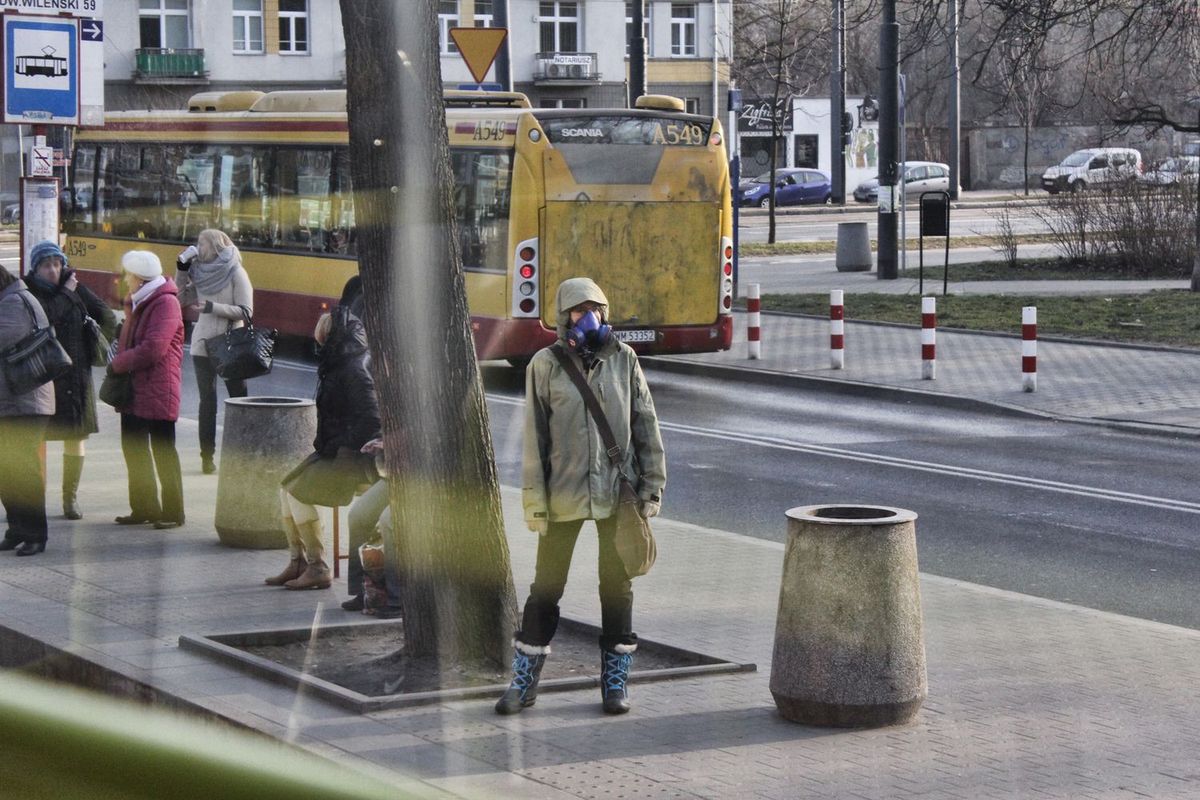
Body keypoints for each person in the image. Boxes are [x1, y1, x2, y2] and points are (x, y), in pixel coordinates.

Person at [496, 277, 666, 717]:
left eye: (594, 308)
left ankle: (615, 684)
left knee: (617, 587)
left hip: (617, 495)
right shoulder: (545, 364)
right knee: (546, 589)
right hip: (562, 496)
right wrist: (534, 503)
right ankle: (524, 681)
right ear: (562, 316)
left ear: (605, 313)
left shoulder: (624, 359)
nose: (586, 317)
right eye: (577, 309)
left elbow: (646, 423)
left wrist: (652, 486)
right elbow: (533, 439)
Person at [269, 305, 381, 591]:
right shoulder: (343, 362)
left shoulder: (353, 369)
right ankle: (299, 562)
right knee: (285, 488)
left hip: (355, 459)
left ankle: (318, 566)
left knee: (296, 492)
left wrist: (339, 445)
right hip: (339, 451)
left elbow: (371, 419)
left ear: (330, 337)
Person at [25, 240, 117, 520]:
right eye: (46, 265)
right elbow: (47, 316)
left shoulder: (77, 288)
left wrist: (93, 350)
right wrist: (65, 292)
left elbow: (108, 317)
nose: (53, 270)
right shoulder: (30, 293)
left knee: (75, 437)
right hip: (43, 377)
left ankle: (70, 499)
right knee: (33, 439)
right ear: (36, 269)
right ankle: (30, 500)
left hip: (76, 376)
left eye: (57, 264)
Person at [109, 250, 186, 530]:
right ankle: (143, 507)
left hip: (158, 387)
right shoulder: (139, 301)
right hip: (136, 388)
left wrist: (119, 364)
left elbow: (154, 348)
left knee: (163, 451)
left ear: (140, 279)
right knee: (135, 449)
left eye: (128, 275)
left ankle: (173, 512)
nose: (125, 279)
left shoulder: (165, 303)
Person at [176, 229, 253, 474]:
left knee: (239, 402)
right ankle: (206, 458)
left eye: (202, 243)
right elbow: (179, 298)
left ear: (215, 245)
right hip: (202, 346)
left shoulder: (236, 271)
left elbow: (246, 311)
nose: (198, 248)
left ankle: (242, 456)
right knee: (207, 403)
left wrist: (213, 307)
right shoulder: (198, 271)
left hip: (230, 344)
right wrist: (181, 268)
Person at [0, 267, 55, 556]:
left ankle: (36, 533)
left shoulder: (15, 303)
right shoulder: (10, 299)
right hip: (11, 401)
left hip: (27, 402)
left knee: (24, 470)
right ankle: (18, 528)